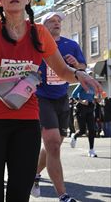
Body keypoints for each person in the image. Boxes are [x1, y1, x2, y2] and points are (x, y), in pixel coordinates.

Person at [0, 0, 103, 202]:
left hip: (26, 122)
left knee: (19, 195)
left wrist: (80, 75)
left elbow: (63, 71)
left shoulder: (40, 33)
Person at [30, 11, 86, 202]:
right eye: (51, 21)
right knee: (53, 144)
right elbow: (26, 68)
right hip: (42, 98)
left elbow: (82, 68)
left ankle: (35, 174)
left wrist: (76, 64)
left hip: (62, 98)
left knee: (55, 143)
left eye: (58, 21)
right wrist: (33, 76)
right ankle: (63, 195)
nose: (56, 24)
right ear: (43, 26)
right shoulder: (36, 45)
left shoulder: (71, 45)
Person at [71, 70, 98, 157]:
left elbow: (93, 96)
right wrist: (81, 101)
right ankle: (74, 136)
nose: (90, 77)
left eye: (91, 75)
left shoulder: (93, 85)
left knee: (92, 130)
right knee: (82, 131)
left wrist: (96, 100)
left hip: (90, 108)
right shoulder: (82, 84)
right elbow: (73, 95)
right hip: (81, 107)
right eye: (89, 75)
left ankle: (91, 150)